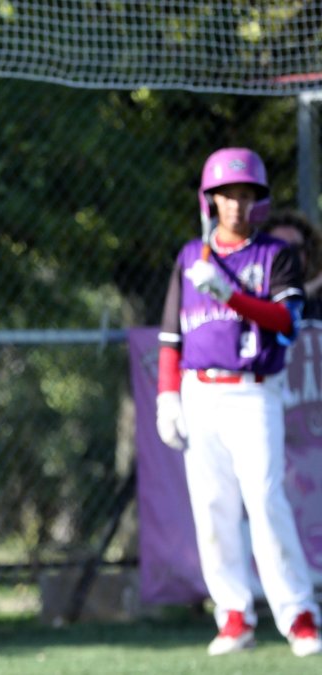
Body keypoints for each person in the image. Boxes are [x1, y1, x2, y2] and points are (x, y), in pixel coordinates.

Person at [155, 147, 322, 658]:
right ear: (210, 201)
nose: (237, 206)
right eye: (227, 195)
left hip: (252, 393)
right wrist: (167, 396)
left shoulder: (275, 255)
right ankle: (233, 616)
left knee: (266, 501)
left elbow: (287, 322)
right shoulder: (190, 257)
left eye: (247, 196)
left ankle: (299, 617)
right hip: (199, 392)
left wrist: (231, 297)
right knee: (212, 507)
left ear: (260, 203)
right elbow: (169, 338)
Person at [263, 210, 322, 319]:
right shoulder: (253, 294)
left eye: (295, 249)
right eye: (279, 250)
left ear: (308, 253)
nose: (288, 256)